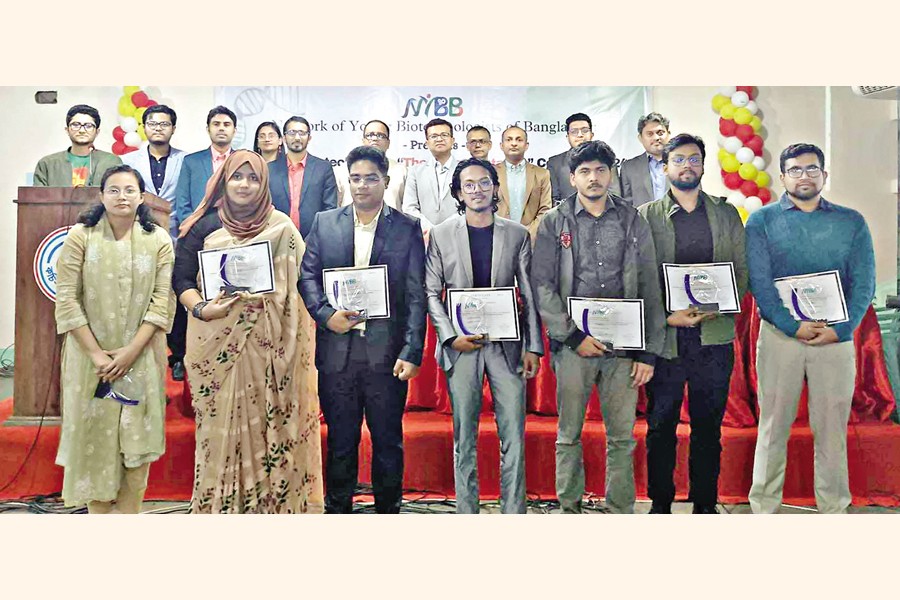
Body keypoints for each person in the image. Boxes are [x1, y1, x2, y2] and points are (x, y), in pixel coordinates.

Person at [173, 150, 323, 513]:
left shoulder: (282, 227)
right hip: (217, 340)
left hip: (271, 347)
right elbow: (180, 279)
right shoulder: (203, 227)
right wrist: (203, 308)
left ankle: (274, 506)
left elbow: (304, 282)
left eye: (253, 178)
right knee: (219, 428)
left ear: (264, 184)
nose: (244, 184)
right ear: (224, 179)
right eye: (237, 176)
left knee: (269, 428)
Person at [532, 140, 665, 514]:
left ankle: (619, 510)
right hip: (574, 346)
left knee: (622, 437)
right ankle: (569, 508)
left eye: (601, 170)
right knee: (568, 434)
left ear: (612, 174)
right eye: (585, 172)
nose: (594, 178)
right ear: (572, 178)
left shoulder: (631, 218)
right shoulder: (555, 222)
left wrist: (647, 351)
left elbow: (649, 283)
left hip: (624, 348)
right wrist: (573, 336)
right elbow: (542, 284)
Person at [746, 143, 875, 514]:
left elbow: (863, 282)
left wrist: (844, 327)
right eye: (796, 170)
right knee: (773, 427)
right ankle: (763, 508)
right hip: (781, 337)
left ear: (824, 175)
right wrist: (791, 325)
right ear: (783, 177)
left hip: (835, 340)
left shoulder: (851, 222)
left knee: (832, 430)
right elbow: (759, 281)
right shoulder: (762, 221)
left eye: (812, 168)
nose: (805, 175)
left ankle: (833, 508)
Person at [300, 145, 427, 513]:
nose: (362, 185)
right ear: (347, 181)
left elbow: (416, 293)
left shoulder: (406, 228)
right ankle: (338, 510)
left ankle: (388, 510)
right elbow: (307, 276)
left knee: (388, 441)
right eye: (355, 178)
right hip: (337, 351)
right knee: (341, 440)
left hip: (386, 355)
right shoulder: (326, 222)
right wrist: (325, 315)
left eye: (371, 178)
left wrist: (412, 350)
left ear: (385, 182)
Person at [424, 157, 543, 513]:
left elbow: (529, 293)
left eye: (484, 183)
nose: (477, 190)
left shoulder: (517, 233)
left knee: (514, 437)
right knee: (464, 438)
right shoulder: (442, 234)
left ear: (495, 187)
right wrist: (448, 338)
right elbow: (431, 291)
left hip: (507, 347)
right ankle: (467, 512)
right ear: (459, 192)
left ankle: (513, 512)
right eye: (469, 185)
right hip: (461, 348)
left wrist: (533, 346)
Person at [54, 164, 174, 513]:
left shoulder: (158, 240)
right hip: (90, 361)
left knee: (136, 449)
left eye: (130, 190)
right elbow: (66, 299)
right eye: (114, 190)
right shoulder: (81, 236)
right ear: (102, 195)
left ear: (141, 196)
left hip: (140, 359)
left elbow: (161, 303)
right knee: (95, 445)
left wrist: (129, 353)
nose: (122, 197)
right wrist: (97, 356)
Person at [638, 133, 747, 514]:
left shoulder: (725, 212)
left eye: (695, 159)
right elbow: (640, 278)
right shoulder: (646, 216)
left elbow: (740, 271)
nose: (687, 165)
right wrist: (667, 316)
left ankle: (705, 504)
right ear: (665, 167)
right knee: (660, 426)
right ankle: (661, 503)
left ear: (703, 165)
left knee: (707, 429)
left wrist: (720, 304)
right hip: (666, 338)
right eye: (679, 159)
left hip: (713, 336)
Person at [171, 105, 238, 381]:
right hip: (198, 236)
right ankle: (180, 355)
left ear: (234, 130)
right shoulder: (192, 161)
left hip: (236, 235)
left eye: (226, 124)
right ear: (208, 129)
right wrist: (201, 229)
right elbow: (183, 203)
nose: (221, 128)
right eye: (216, 124)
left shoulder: (244, 160)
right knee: (191, 289)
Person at [268, 115, 338, 239]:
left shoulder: (323, 168)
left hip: (314, 241)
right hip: (277, 239)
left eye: (302, 133)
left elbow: (330, 209)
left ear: (309, 138)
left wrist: (315, 239)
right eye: (292, 133)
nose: (297, 137)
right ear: (284, 138)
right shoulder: (269, 169)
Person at [122, 104, 185, 238]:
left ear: (173, 129)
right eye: (152, 124)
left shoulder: (186, 160)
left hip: (176, 233)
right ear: (144, 128)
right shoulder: (126, 161)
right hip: (137, 231)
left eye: (164, 124)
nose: (158, 128)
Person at [34, 104, 121, 187]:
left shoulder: (111, 162)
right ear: (67, 130)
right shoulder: (47, 164)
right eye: (76, 125)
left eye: (89, 126)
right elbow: (37, 198)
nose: (82, 130)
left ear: (97, 132)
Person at [546, 112, 620, 206]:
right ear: (567, 137)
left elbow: (615, 194)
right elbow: (553, 199)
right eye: (574, 131)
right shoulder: (555, 163)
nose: (580, 135)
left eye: (584, 130)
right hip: (567, 217)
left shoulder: (607, 159)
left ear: (591, 134)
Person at [402, 118, 460, 236]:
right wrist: (430, 229)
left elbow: (468, 205)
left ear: (452, 140)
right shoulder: (415, 171)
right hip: (424, 236)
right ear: (427, 142)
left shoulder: (465, 169)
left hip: (458, 233)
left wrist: (444, 228)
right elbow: (409, 207)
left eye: (444, 135)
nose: (439, 139)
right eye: (434, 136)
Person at [495, 126, 552, 240]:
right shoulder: (491, 173)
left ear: (526, 145)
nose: (514, 143)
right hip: (499, 237)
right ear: (501, 145)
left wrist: (529, 232)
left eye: (519, 140)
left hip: (531, 239)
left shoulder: (542, 174)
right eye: (509, 139)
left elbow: (545, 209)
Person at [337, 119, 407, 211]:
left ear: (388, 143)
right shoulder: (342, 170)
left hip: (393, 224)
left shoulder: (401, 171)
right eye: (370, 135)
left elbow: (407, 207)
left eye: (380, 135)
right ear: (363, 140)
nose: (375, 139)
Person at [617, 112, 671, 207]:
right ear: (640, 138)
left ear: (668, 134)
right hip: (642, 221)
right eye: (650, 134)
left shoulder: (681, 163)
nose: (656, 138)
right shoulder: (629, 168)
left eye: (660, 133)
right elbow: (626, 206)